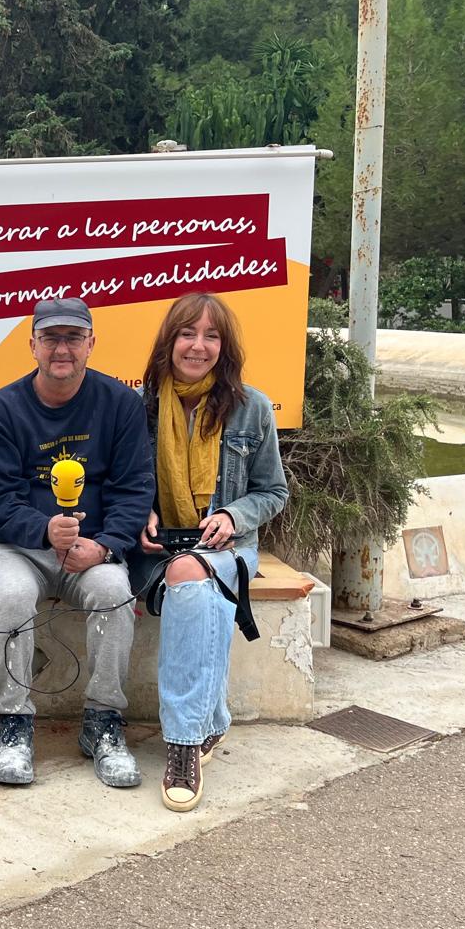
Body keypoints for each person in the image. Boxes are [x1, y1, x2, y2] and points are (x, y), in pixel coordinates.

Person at [0, 297, 153, 789]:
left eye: (73, 338)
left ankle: (102, 723)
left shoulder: (120, 404)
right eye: (51, 338)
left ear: (91, 344)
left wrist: (106, 545)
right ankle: (14, 725)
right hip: (19, 546)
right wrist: (42, 530)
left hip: (92, 547)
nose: (62, 349)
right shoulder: (4, 408)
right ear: (31, 344)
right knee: (11, 596)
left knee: (113, 592)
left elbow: (134, 486)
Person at [136, 293, 288, 812]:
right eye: (187, 333)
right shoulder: (144, 405)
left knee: (192, 577)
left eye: (211, 336)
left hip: (228, 547)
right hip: (156, 546)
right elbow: (125, 481)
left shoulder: (253, 407)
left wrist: (231, 516)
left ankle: (181, 745)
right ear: (169, 341)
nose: (198, 346)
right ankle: (211, 720)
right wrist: (141, 513)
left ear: (224, 347)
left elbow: (273, 492)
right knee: (188, 580)